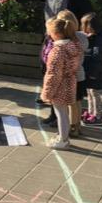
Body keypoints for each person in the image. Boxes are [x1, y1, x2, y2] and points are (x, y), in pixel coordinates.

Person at [0, 0, 93, 122]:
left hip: (66, 40)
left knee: (62, 76)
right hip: (50, 38)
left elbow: (87, 11)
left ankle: (64, 118)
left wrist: (87, 31)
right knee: (48, 70)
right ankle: (55, 111)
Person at [41, 17, 82, 150]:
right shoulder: (74, 46)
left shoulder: (57, 51)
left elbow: (53, 74)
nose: (48, 34)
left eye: (49, 32)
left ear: (56, 34)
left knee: (61, 114)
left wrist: (47, 93)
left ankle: (63, 140)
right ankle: (62, 137)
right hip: (69, 83)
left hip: (59, 87)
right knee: (63, 113)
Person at [56, 10, 88, 137]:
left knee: (71, 103)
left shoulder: (66, 39)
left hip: (70, 76)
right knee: (78, 102)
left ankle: (72, 128)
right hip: (80, 74)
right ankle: (77, 126)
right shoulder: (82, 37)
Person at [80, 13, 102, 126]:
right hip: (91, 71)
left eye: (85, 26)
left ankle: (97, 116)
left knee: (94, 94)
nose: (84, 29)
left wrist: (93, 73)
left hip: (95, 72)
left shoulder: (100, 40)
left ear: (92, 26)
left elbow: (97, 58)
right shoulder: (95, 37)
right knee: (90, 93)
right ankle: (90, 113)